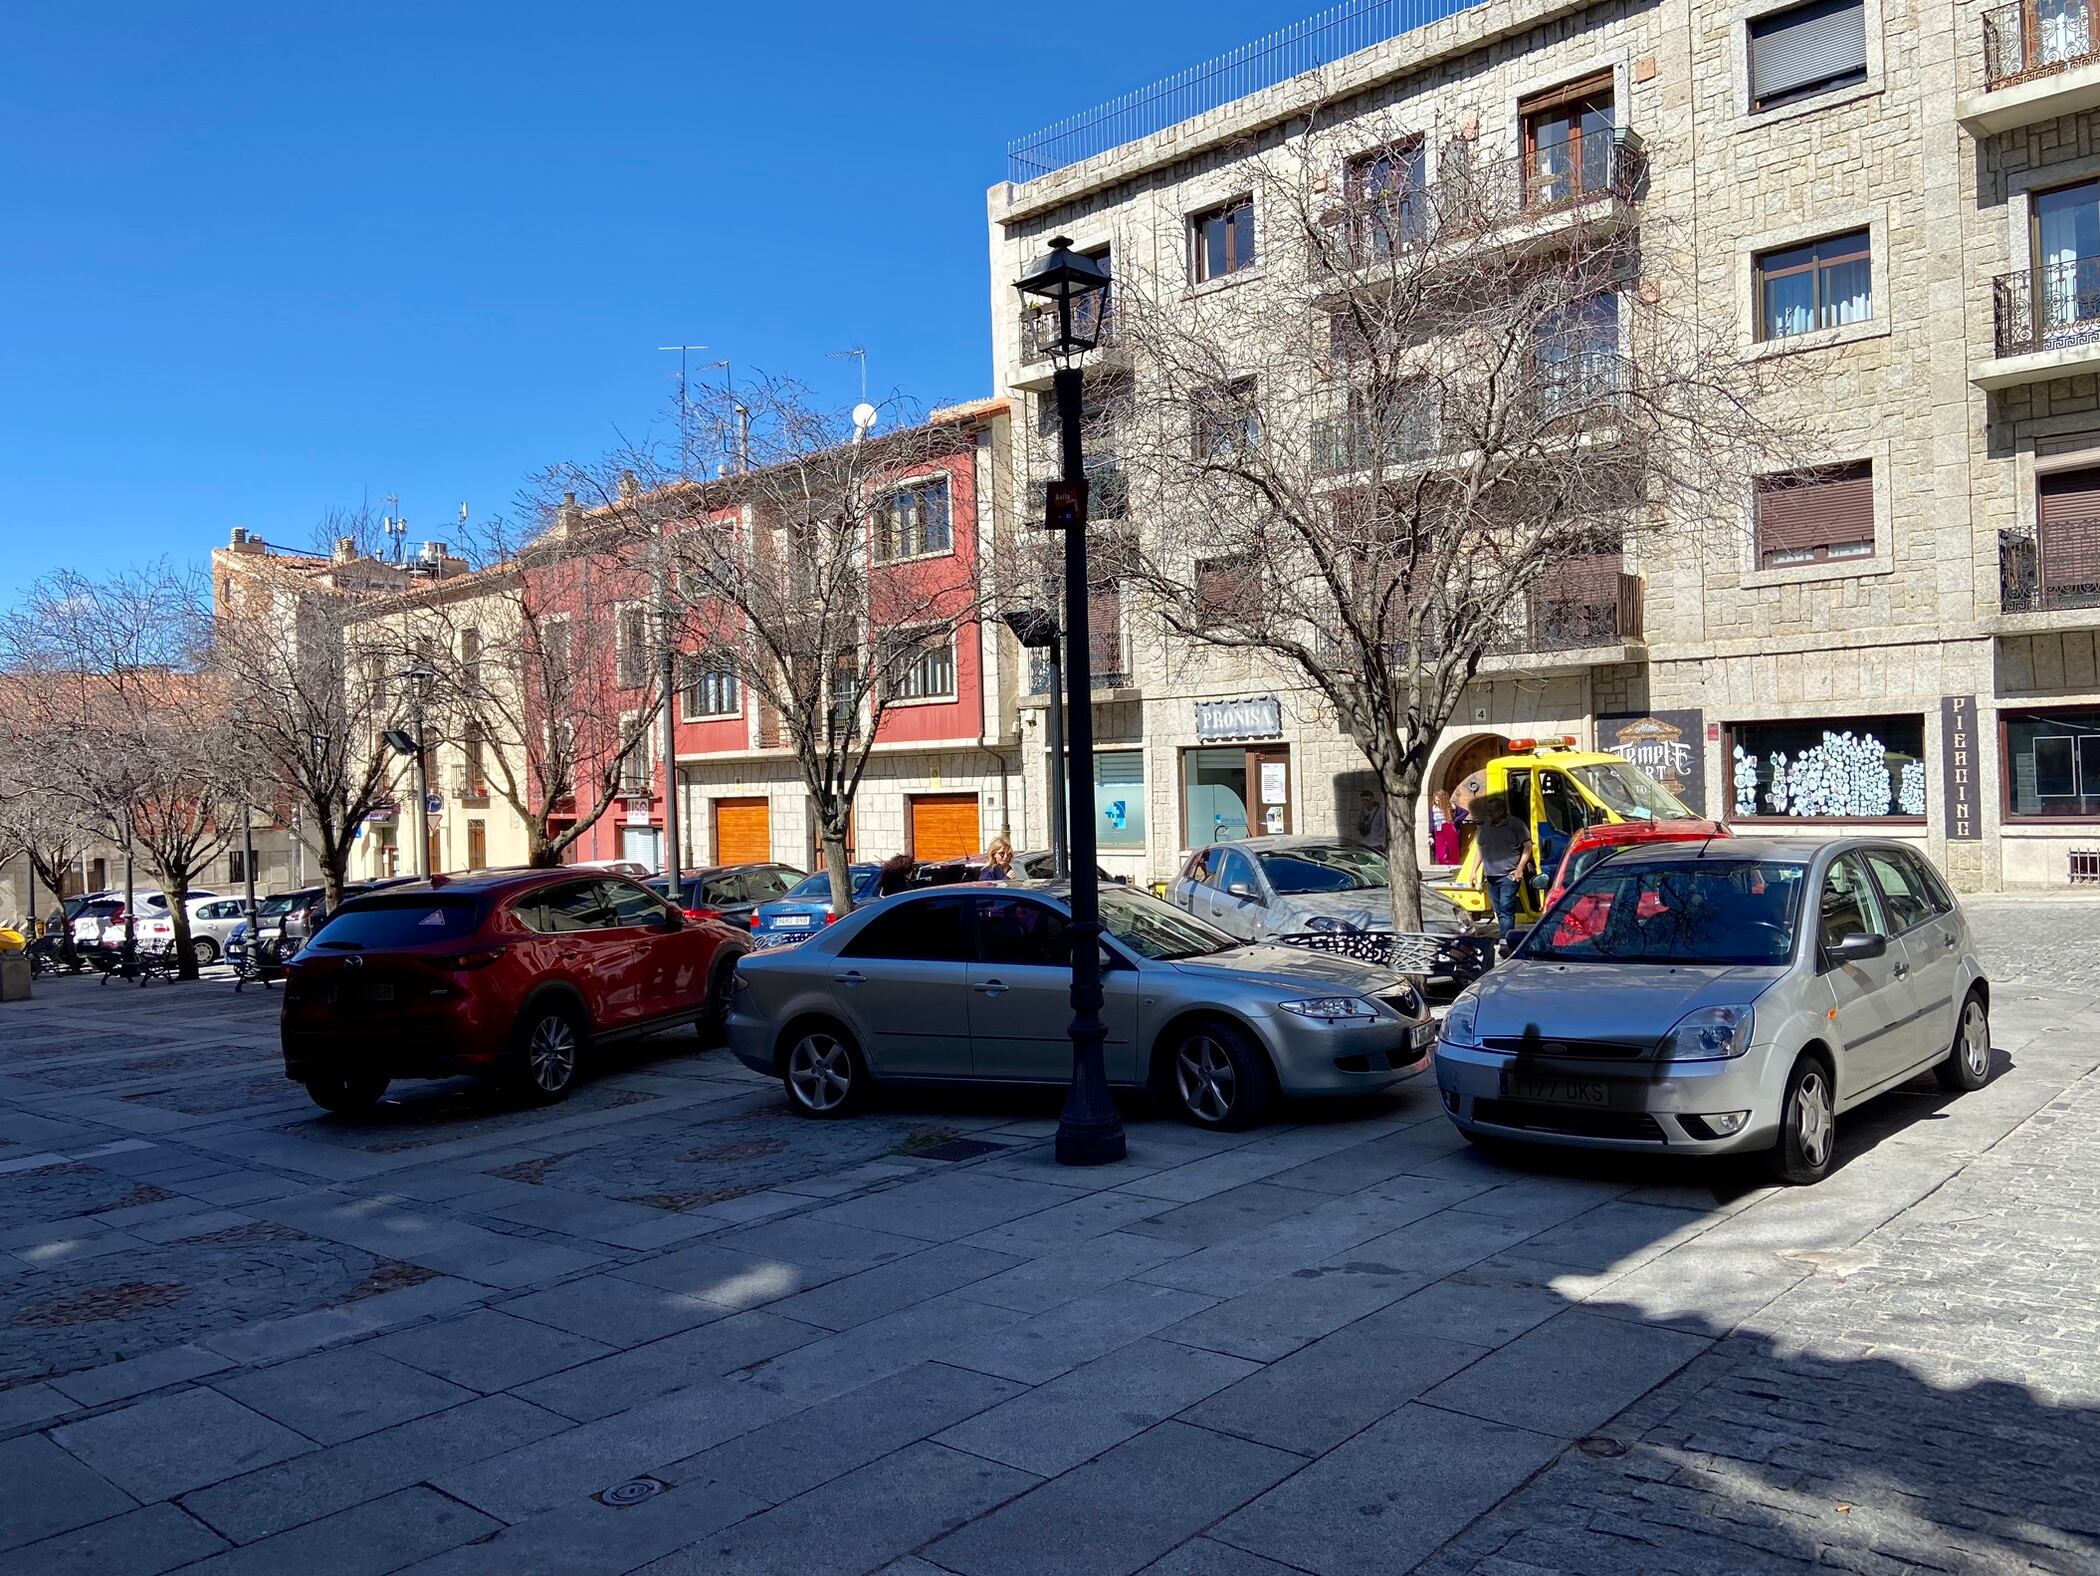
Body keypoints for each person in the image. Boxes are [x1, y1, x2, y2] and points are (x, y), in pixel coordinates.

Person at [1472, 792, 1531, 937]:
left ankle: (1506, 940)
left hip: (1508, 876)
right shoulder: (1486, 826)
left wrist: (1519, 869)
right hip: (1491, 876)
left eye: (1491, 811)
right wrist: (1473, 871)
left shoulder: (1516, 824)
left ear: (1501, 811)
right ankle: (1507, 935)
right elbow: (1480, 849)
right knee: (1499, 911)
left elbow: (1528, 847)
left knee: (1506, 909)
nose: (1489, 814)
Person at [1431, 789, 1461, 866]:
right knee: (1441, 856)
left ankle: (1454, 868)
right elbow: (1431, 821)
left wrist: (1454, 820)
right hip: (1438, 828)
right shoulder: (1433, 808)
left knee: (1452, 851)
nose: (1437, 802)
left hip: (1448, 827)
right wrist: (1430, 835)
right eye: (1436, 800)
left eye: (1439, 800)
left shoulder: (1449, 805)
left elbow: (1464, 812)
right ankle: (1447, 865)